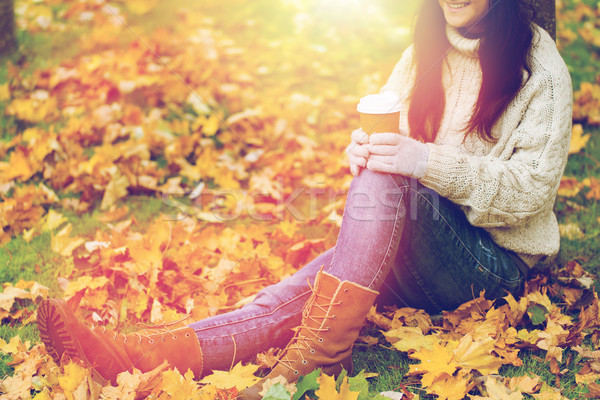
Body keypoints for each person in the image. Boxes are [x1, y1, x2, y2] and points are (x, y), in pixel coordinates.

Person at [37, 0, 573, 398]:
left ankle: (319, 354)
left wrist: (419, 162)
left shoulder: (539, 70)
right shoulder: (423, 52)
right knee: (295, 294)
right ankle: (138, 354)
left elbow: (528, 194)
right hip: (418, 238)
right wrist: (365, 153)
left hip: (489, 266)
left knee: (382, 193)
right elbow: (396, 146)